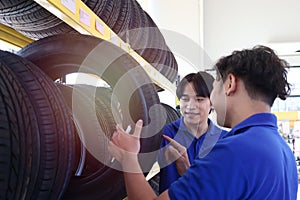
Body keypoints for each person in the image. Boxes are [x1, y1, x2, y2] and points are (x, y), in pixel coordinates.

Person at [108, 45, 298, 199]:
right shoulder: (282, 150)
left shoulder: (233, 150)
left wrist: (128, 158)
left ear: (230, 83)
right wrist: (190, 174)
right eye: (185, 98)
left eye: (214, 87)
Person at [157, 72, 227, 193]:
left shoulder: (226, 141)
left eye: (199, 99)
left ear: (212, 103)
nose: (190, 106)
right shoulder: (165, 135)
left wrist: (187, 172)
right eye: (185, 99)